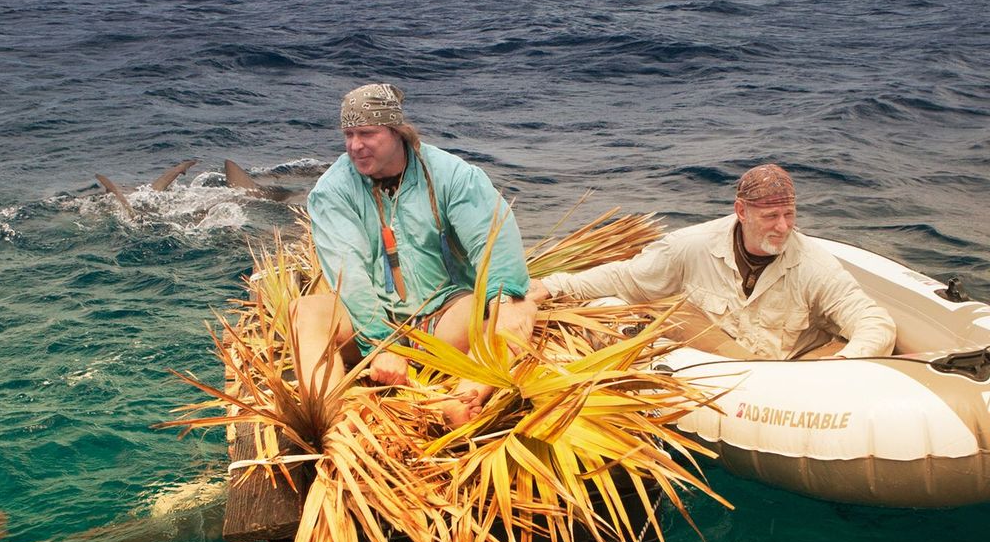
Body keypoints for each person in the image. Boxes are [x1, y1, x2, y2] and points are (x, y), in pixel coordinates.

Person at [291, 83, 536, 426]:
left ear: (396, 131)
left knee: (516, 306)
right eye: (348, 134)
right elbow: (350, 275)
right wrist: (382, 344)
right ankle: (333, 422)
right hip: (367, 322)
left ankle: (463, 398)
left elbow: (492, 242)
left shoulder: (452, 175)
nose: (354, 146)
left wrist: (504, 297)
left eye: (366, 133)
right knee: (303, 311)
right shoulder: (332, 191)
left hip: (443, 317)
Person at [527, 163, 895, 359]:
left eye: (789, 214)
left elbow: (873, 321)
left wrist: (845, 362)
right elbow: (626, 279)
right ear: (741, 211)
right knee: (669, 309)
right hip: (722, 358)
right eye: (770, 217)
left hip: (790, 374)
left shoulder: (814, 264)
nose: (782, 226)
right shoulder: (691, 246)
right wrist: (552, 285)